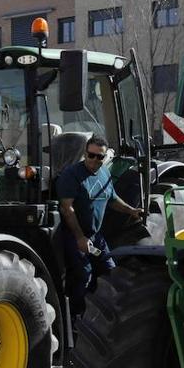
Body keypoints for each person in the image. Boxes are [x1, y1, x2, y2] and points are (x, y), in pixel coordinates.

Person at [57, 135, 145, 316]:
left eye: (100, 157)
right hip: (76, 236)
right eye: (92, 155)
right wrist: (80, 238)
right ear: (85, 153)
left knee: (111, 271)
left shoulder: (104, 173)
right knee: (84, 275)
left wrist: (131, 210)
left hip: (97, 236)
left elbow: (112, 199)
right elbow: (67, 208)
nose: (95, 160)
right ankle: (79, 321)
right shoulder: (71, 175)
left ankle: (110, 317)